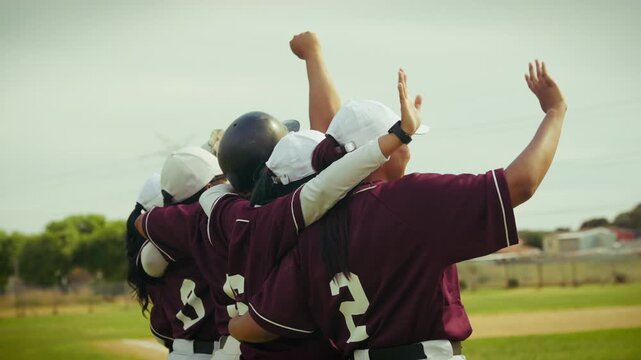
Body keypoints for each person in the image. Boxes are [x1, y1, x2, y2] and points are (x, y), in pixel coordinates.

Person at [228, 60, 568, 360]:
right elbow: (521, 184)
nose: (410, 152)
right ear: (383, 150)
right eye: (408, 141)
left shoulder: (311, 229)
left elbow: (263, 322)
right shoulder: (410, 199)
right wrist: (555, 112)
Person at [127, 147, 226, 360]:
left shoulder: (155, 249)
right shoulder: (203, 226)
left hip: (182, 351)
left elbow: (161, 329)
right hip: (218, 351)